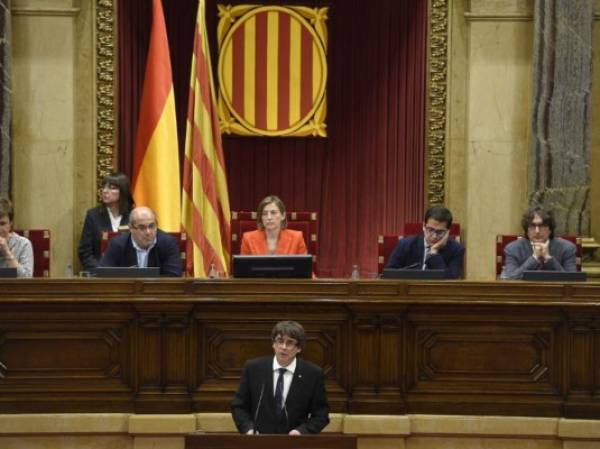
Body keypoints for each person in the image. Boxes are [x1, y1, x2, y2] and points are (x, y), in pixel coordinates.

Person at [231, 321, 329, 435]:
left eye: (290, 343)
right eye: (280, 341)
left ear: (299, 348)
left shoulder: (312, 374)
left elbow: (321, 414)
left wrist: (302, 431)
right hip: (258, 441)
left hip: (294, 443)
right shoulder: (253, 368)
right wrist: (248, 428)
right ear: (273, 344)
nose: (283, 347)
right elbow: (239, 406)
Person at [98, 206, 182, 277]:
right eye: (142, 227)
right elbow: (103, 275)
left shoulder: (168, 243)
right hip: (127, 294)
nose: (148, 232)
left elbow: (173, 277)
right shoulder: (118, 244)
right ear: (131, 228)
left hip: (158, 294)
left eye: (152, 226)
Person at [385, 205, 464, 279]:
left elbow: (451, 281)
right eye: (430, 230)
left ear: (447, 232)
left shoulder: (456, 250)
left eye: (440, 232)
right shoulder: (405, 244)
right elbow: (389, 274)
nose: (434, 236)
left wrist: (434, 252)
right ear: (423, 226)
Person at [500, 206, 577, 280]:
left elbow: (572, 280)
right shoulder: (513, 249)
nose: (537, 231)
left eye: (542, 226)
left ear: (550, 229)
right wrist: (534, 258)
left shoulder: (567, 248)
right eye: (532, 226)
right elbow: (510, 279)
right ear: (527, 231)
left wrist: (548, 258)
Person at [78, 172, 134, 271]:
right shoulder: (93, 215)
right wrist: (100, 270)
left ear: (123, 191)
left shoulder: (134, 215)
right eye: (104, 187)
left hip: (129, 274)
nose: (105, 191)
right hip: (100, 275)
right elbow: (85, 252)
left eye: (111, 188)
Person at [240, 195, 307, 255]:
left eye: (273, 212)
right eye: (265, 213)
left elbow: (304, 268)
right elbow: (243, 268)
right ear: (261, 217)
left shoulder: (297, 238)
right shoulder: (248, 239)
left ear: (283, 215)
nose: (269, 217)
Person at [0, 197, 34, 277]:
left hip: (14, 289)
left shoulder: (23, 244)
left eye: (2, 224)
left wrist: (7, 252)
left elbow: (27, 278)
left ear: (10, 223)